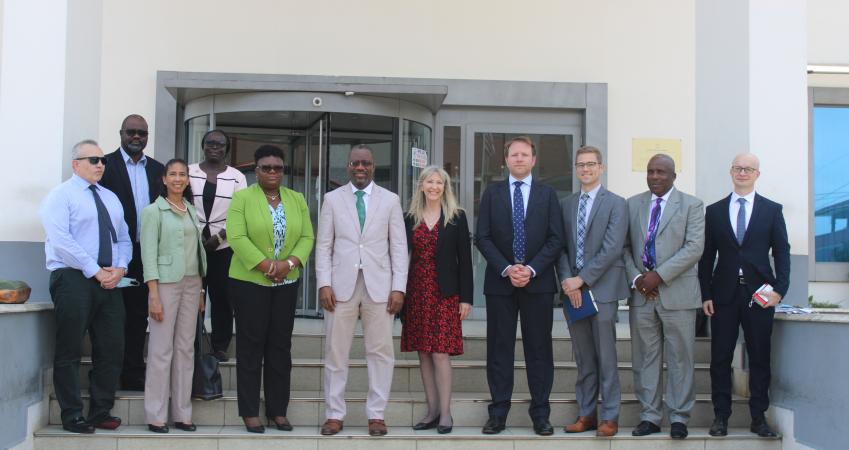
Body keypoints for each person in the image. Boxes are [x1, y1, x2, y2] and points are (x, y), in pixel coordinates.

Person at [315, 144, 408, 437]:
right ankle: (334, 414)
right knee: (335, 351)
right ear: (348, 166)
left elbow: (399, 248)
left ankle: (377, 415)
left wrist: (399, 288)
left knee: (380, 353)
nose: (360, 167)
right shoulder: (331, 199)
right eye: (355, 162)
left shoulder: (391, 201)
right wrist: (324, 283)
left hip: (380, 288)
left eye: (365, 163)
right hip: (339, 287)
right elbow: (324, 246)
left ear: (373, 165)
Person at [474, 136, 564, 436]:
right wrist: (507, 267)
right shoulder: (492, 193)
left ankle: (541, 413)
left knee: (539, 350)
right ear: (506, 160)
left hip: (538, 285)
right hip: (500, 284)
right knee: (499, 350)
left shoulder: (548, 195)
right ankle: (498, 412)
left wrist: (531, 268)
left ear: (534, 160)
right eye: (514, 155)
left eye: (525, 154)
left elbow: (556, 239)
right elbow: (482, 237)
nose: (520, 159)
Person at [41, 139, 132, 433]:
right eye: (93, 160)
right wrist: (95, 271)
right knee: (69, 347)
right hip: (72, 278)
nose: (100, 164)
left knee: (111, 347)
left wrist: (119, 269)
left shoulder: (110, 197)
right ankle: (72, 415)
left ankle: (100, 410)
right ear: (75, 164)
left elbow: (123, 238)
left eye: (102, 159)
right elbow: (62, 241)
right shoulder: (60, 195)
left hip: (109, 280)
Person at [699, 153, 789, 438]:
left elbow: (782, 252)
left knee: (760, 356)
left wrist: (780, 290)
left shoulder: (772, 210)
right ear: (731, 171)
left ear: (757, 174)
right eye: (738, 168)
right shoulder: (714, 211)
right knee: (720, 357)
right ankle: (721, 417)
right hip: (723, 294)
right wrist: (705, 293)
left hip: (759, 296)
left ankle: (758, 417)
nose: (742, 173)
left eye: (748, 169)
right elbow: (706, 256)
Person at [227, 144, 314, 433]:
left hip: (286, 283)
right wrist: (267, 266)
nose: (273, 172)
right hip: (250, 283)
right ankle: (250, 411)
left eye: (278, 168)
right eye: (266, 167)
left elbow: (306, 236)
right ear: (256, 169)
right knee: (251, 346)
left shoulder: (296, 198)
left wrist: (288, 264)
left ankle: (278, 410)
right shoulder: (241, 198)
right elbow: (237, 237)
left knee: (280, 347)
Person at [623, 154, 704, 439]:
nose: (655, 176)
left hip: (678, 295)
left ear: (673, 176)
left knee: (680, 357)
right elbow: (624, 248)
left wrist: (659, 276)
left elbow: (694, 248)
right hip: (642, 295)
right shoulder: (632, 204)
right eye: (650, 171)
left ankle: (679, 417)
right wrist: (637, 279)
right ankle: (650, 416)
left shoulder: (692, 205)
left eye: (661, 172)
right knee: (645, 358)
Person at [558, 146, 629, 437]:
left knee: (606, 356)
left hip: (603, 290)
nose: (585, 169)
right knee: (584, 356)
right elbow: (560, 246)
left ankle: (610, 416)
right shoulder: (566, 204)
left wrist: (582, 280)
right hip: (572, 292)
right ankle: (586, 413)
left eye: (591, 164)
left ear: (601, 168)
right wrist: (567, 280)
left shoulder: (616, 203)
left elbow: (612, 248)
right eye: (580, 165)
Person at [402, 166, 473, 435]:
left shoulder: (456, 217)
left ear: (445, 187)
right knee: (423, 352)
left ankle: (445, 413)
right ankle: (431, 411)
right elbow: (402, 256)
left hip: (445, 293)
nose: (434, 187)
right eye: (429, 182)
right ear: (421, 186)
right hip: (416, 291)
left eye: (439, 183)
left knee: (440, 352)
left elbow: (465, 260)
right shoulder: (410, 217)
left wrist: (466, 298)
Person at [140, 158, 207, 433]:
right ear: (164, 179)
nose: (178, 179)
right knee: (160, 350)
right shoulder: (153, 211)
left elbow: (198, 253)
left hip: (192, 285)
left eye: (183, 174)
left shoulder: (191, 210)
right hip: (165, 285)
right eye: (173, 174)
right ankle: (156, 415)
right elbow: (148, 256)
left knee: (185, 349)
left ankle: (182, 413)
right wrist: (153, 295)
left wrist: (201, 289)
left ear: (188, 180)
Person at [100, 114, 165, 391]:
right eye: (131, 132)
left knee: (139, 316)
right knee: (112, 316)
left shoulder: (158, 169)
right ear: (121, 133)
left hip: (146, 255)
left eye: (142, 133)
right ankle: (109, 374)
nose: (137, 137)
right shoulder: (104, 165)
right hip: (113, 257)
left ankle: (133, 373)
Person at [188, 129, 247, 362]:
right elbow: (181, 203)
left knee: (222, 297)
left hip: (223, 248)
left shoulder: (236, 177)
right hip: (192, 244)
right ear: (203, 145)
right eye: (210, 142)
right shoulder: (190, 171)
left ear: (227, 149)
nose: (215, 147)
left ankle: (220, 345)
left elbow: (239, 214)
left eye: (220, 144)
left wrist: (219, 238)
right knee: (192, 295)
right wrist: (198, 237)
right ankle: (192, 343)